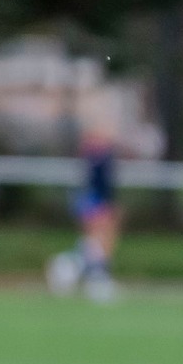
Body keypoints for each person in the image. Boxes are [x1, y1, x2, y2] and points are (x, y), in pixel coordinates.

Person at [47, 128, 120, 302]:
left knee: (97, 243)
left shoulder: (101, 158)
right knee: (98, 243)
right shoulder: (96, 159)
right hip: (94, 202)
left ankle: (80, 272)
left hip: (96, 202)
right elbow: (97, 187)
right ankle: (94, 279)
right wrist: (102, 208)